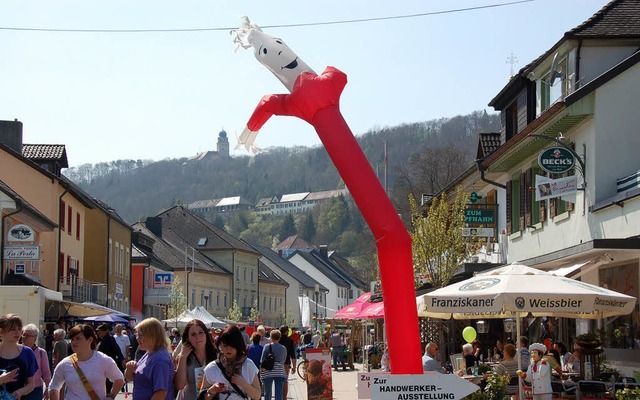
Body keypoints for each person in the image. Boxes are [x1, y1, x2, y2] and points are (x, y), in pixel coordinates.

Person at [49, 324, 124, 400]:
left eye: (78, 338)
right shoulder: (65, 364)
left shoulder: (103, 359)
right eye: (72, 339)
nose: (73, 342)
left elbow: (119, 379)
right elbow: (54, 386)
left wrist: (111, 396)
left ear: (90, 340)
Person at [200, 325, 261, 400]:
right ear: (220, 345)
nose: (228, 349)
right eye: (225, 345)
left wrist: (243, 383)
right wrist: (213, 390)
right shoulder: (212, 368)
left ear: (238, 346)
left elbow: (257, 395)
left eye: (232, 346)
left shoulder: (248, 365)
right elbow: (202, 396)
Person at [125, 317, 174, 400]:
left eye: (140, 335)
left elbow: (160, 393)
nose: (137, 338)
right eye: (137, 335)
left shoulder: (160, 359)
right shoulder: (149, 353)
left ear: (153, 336)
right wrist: (129, 368)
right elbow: (132, 378)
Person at [174, 319, 217, 400]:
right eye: (193, 334)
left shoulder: (216, 355)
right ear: (188, 338)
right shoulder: (184, 356)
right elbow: (180, 385)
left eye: (200, 333)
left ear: (206, 334)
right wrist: (183, 357)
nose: (198, 338)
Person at [0, 314, 36, 399]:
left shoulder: (27, 353)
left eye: (19, 329)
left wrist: (20, 392)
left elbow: (31, 384)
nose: (17, 332)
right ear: (1, 331)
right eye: (12, 329)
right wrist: (1, 380)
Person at [22, 323, 51, 400]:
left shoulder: (41, 352)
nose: (24, 337)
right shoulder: (17, 350)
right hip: (19, 389)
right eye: (23, 334)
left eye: (27, 335)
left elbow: (46, 373)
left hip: (35, 389)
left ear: (35, 338)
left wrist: (48, 388)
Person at [96, 323, 125, 393]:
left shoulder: (110, 339)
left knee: (108, 383)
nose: (98, 333)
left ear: (104, 331)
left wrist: (122, 359)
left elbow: (117, 349)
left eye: (99, 331)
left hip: (107, 364)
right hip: (101, 364)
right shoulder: (101, 339)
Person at [260, 329, 287, 400]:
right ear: (279, 337)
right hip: (280, 371)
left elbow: (262, 359)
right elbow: (283, 359)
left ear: (271, 337)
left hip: (268, 371)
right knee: (279, 392)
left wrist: (261, 370)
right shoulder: (283, 348)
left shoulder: (266, 346)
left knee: (267, 392)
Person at [278, 325, 296, 400]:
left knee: (278, 381)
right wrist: (294, 366)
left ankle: (278, 397)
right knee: (285, 381)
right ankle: (284, 398)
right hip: (286, 363)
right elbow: (293, 355)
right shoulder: (290, 340)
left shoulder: (277, 339)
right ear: (286, 332)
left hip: (277, 363)